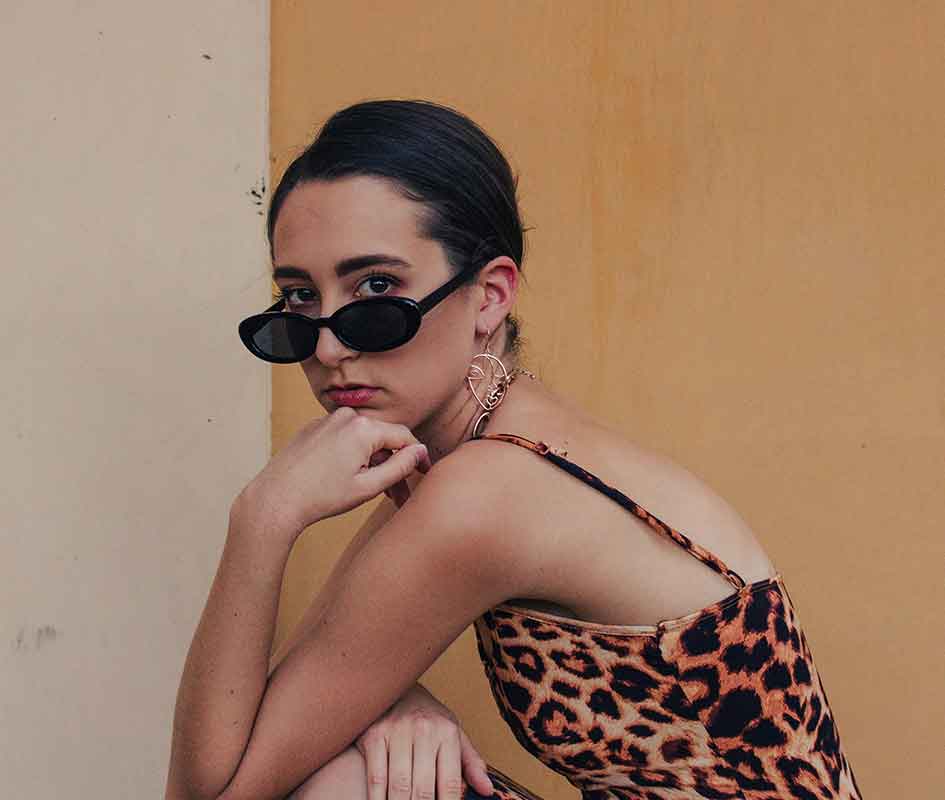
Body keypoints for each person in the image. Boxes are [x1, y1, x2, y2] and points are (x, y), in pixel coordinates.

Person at [165, 99, 863, 800]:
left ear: (490, 295)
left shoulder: (488, 491)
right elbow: (301, 692)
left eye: (376, 288)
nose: (328, 347)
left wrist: (262, 518)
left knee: (344, 787)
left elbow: (210, 793)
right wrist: (395, 700)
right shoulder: (473, 453)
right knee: (351, 772)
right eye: (298, 298)